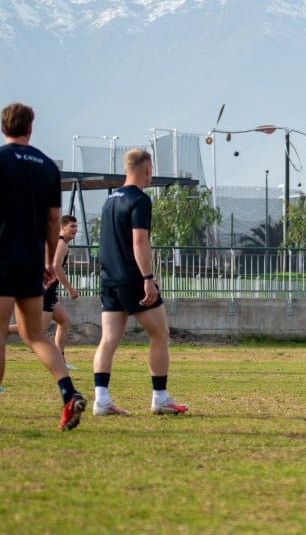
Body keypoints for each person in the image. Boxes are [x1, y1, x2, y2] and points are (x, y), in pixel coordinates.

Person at [0, 103, 85, 431]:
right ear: (30, 128)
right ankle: (69, 393)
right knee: (35, 335)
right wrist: (50, 260)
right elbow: (54, 219)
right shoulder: (47, 167)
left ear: (2, 127)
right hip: (30, 262)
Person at [92, 149, 187, 415]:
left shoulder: (110, 200)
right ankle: (160, 397)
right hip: (132, 278)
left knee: (108, 339)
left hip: (108, 278)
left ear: (125, 169)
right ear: (147, 169)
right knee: (160, 333)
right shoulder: (140, 200)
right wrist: (148, 279)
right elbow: (139, 240)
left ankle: (101, 399)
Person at [8, 214, 80, 369]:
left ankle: (60, 360)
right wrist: (70, 288)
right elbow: (56, 267)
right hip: (45, 291)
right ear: (62, 227)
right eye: (72, 226)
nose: (75, 229)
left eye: (76, 226)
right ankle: (3, 329)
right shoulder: (61, 244)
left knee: (64, 322)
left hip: (49, 291)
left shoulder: (57, 242)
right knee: (37, 331)